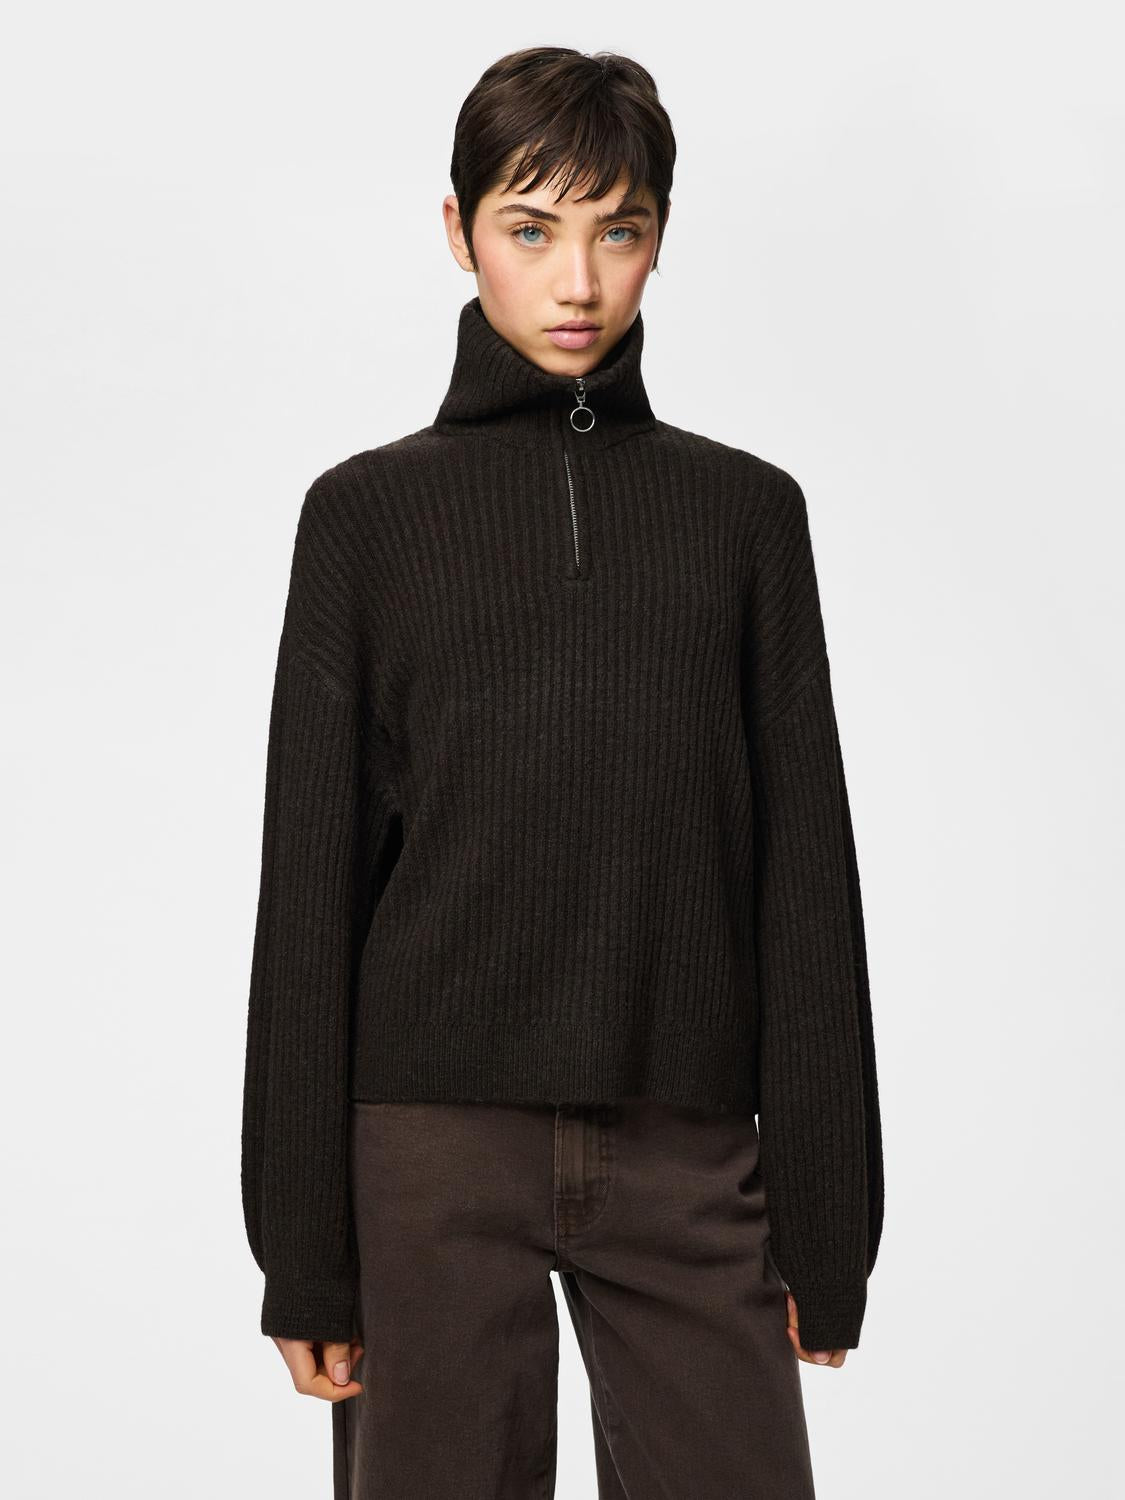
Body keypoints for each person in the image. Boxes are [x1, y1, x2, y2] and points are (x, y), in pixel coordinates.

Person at [241, 44, 883, 1499]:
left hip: (687, 1146)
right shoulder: (363, 519)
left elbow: (804, 876)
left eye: (618, 230)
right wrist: (303, 1252)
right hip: (425, 1153)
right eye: (531, 230)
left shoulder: (747, 518)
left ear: (661, 236)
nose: (578, 281)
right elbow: (310, 888)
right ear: (457, 229)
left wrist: (828, 1222)